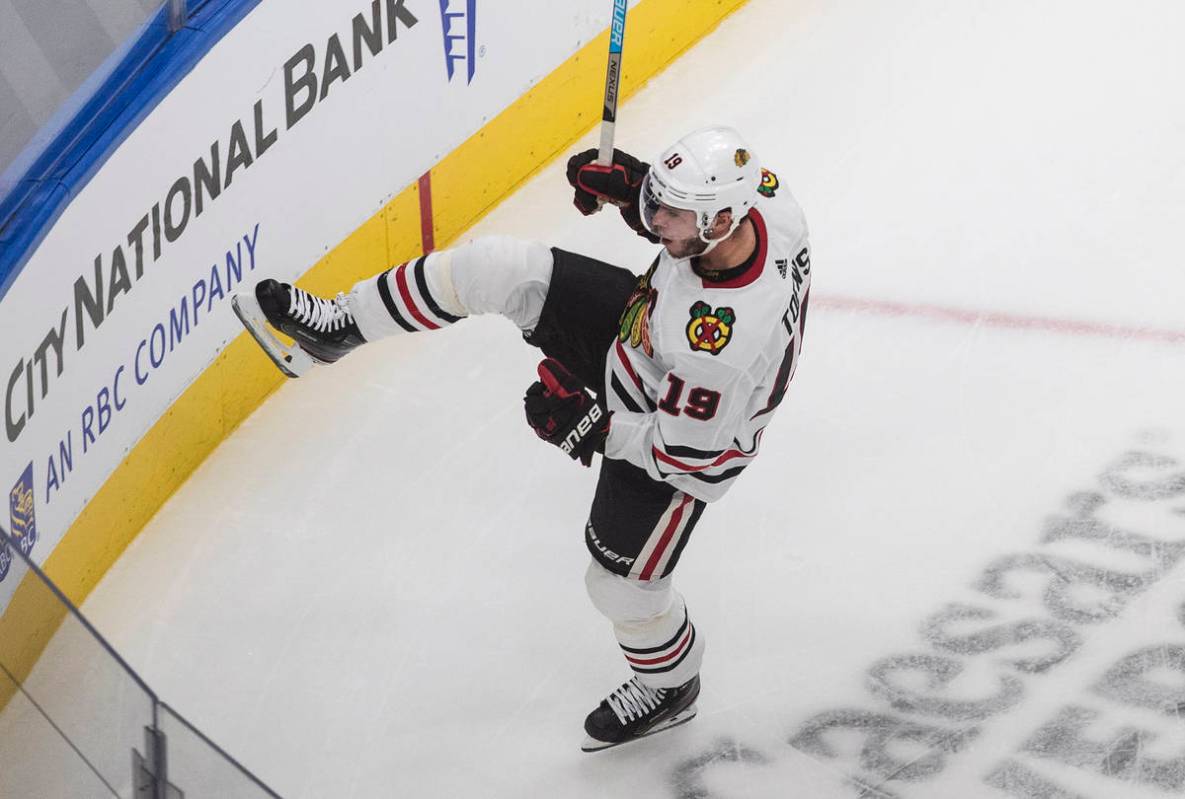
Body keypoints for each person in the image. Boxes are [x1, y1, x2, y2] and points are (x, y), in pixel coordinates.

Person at [236, 126, 811, 751]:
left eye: (669, 213)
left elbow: (682, 450)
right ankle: (342, 327)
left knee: (617, 587)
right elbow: (677, 225)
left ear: (722, 220)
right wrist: (634, 188)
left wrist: (588, 430)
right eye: (660, 202)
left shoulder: (721, 350)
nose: (657, 217)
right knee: (502, 270)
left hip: (679, 446)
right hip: (641, 339)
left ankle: (671, 685)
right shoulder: (765, 204)